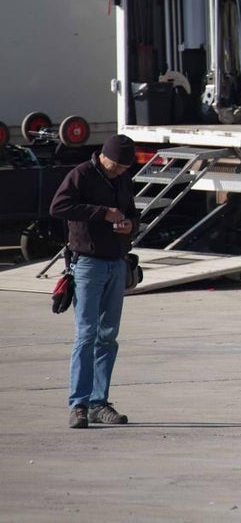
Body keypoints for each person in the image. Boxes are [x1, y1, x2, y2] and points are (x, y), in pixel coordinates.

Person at [50, 134, 140, 429]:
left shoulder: (123, 179)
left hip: (116, 263)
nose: (119, 171)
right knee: (86, 334)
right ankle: (78, 404)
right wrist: (102, 213)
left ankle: (99, 402)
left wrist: (129, 225)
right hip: (87, 264)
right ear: (103, 156)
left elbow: (133, 213)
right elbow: (58, 207)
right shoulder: (81, 175)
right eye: (116, 166)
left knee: (108, 336)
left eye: (124, 168)